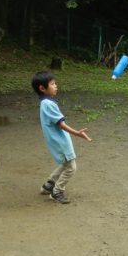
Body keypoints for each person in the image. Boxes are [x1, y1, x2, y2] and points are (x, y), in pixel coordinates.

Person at [31, 71, 92, 204]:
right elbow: (60, 123)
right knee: (71, 168)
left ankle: (49, 185)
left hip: (57, 140)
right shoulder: (48, 104)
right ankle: (57, 192)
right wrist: (77, 133)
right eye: (52, 84)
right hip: (60, 141)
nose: (56, 86)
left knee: (66, 164)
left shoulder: (46, 102)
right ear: (42, 88)